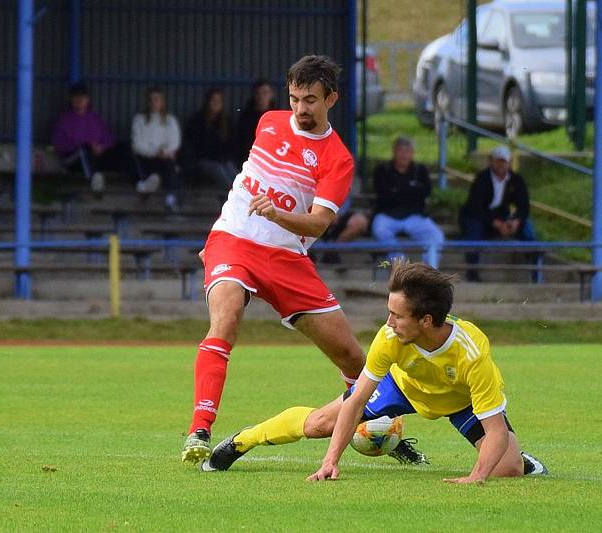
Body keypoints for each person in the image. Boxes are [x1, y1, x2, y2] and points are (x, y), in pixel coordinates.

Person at [181, 55, 427, 466]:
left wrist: (277, 215)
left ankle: (377, 426)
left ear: (332, 98)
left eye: (311, 99)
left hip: (287, 259)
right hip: (234, 241)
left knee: (353, 358)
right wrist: (217, 235)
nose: (300, 108)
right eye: (295, 98)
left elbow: (318, 224)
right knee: (224, 323)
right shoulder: (268, 122)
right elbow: (245, 182)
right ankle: (199, 430)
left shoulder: (337, 159)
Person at [201, 260, 548, 483]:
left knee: (508, 469)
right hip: (402, 387)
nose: (388, 322)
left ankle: (521, 459)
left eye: (397, 315)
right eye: (389, 311)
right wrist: (330, 462)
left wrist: (476, 477)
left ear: (426, 321)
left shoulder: (472, 352)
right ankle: (242, 441)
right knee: (321, 423)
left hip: (460, 402)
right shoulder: (389, 337)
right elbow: (355, 401)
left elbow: (495, 429)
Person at [459, 146, 537, 282]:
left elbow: (524, 206)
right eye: (498, 161)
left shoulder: (516, 180)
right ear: (491, 161)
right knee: (474, 232)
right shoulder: (482, 179)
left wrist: (516, 221)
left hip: (501, 215)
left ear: (509, 162)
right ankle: (472, 272)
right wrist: (496, 223)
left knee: (528, 231)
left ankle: (535, 271)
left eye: (504, 161)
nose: (501, 164)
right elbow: (476, 207)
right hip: (477, 216)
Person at [371, 136, 444, 269]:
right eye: (400, 151)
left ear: (412, 154)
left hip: (414, 216)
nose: (404, 155)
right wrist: (410, 190)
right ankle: (402, 268)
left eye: (407, 151)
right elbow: (384, 194)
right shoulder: (383, 170)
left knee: (436, 236)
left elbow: (426, 192)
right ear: (394, 152)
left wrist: (398, 191)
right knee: (379, 229)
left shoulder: (420, 170)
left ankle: (429, 272)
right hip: (388, 215)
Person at [50, 82, 116, 192]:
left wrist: (101, 147)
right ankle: (93, 178)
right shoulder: (63, 120)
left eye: (83, 97)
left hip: (95, 156)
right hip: (73, 160)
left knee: (121, 149)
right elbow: (59, 146)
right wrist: (86, 145)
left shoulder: (94, 118)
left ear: (88, 99)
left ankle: (140, 183)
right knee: (84, 151)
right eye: (76, 97)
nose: (80, 100)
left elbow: (109, 138)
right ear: (71, 99)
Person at [131, 86, 183, 210]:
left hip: (165, 157)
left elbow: (175, 142)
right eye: (151, 100)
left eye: (157, 99)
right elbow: (137, 144)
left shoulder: (170, 120)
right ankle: (149, 185)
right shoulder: (139, 119)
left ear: (162, 102)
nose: (154, 103)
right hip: (145, 158)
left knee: (170, 164)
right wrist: (155, 152)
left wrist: (164, 152)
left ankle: (169, 197)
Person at [179, 87, 237, 192]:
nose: (216, 104)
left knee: (234, 173)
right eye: (213, 100)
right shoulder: (197, 120)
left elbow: (231, 145)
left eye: (219, 101)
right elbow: (195, 146)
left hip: (223, 160)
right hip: (204, 160)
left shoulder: (226, 122)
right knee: (219, 172)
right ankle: (232, 197)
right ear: (207, 102)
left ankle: (241, 196)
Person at [232, 78, 277, 168]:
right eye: (258, 93)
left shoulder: (277, 116)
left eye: (265, 93)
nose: (261, 97)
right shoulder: (245, 117)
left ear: (271, 95)